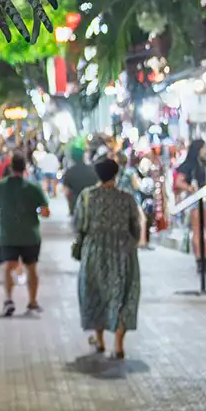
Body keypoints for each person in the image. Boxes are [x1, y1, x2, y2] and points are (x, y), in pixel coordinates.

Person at [75, 157, 143, 359]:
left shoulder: (87, 197)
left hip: (94, 252)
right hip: (123, 254)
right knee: (123, 295)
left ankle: (100, 339)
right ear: (116, 174)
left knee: (96, 294)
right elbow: (136, 228)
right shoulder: (127, 198)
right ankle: (119, 344)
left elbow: (80, 224)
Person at [0, 153, 51, 316]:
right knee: (31, 268)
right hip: (30, 235)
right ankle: (32, 302)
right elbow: (45, 212)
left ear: (10, 167)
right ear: (25, 168)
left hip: (7, 234)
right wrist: (37, 209)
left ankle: (8, 300)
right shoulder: (34, 188)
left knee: (7, 268)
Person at [175, 137, 206, 272]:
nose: (205, 150)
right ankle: (200, 261)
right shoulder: (189, 164)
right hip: (195, 199)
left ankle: (205, 259)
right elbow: (179, 182)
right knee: (198, 231)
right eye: (203, 148)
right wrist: (190, 188)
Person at [60, 150, 99, 219]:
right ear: (83, 157)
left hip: (75, 205)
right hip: (90, 204)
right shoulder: (92, 170)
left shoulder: (69, 172)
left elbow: (66, 191)